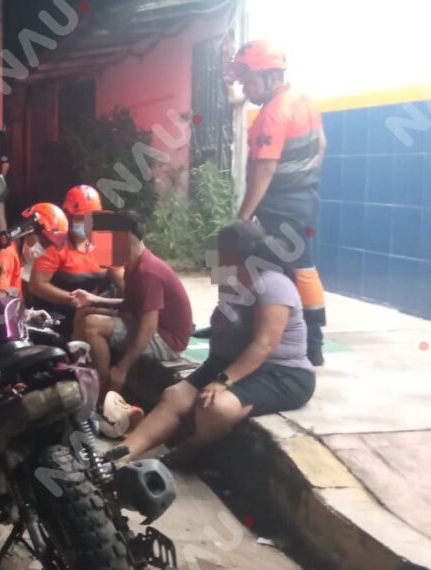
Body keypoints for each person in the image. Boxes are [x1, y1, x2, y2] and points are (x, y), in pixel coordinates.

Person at [120, 220, 316, 463]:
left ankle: (189, 451)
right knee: (174, 396)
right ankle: (117, 457)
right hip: (228, 361)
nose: (214, 256)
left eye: (220, 250)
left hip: (282, 374)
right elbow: (221, 325)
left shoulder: (273, 283)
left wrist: (223, 380)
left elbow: (263, 345)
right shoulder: (230, 279)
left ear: (238, 253)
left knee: (214, 408)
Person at [229, 39, 327, 366]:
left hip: (281, 203)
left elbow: (265, 168)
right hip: (304, 198)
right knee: (301, 265)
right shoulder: (303, 101)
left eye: (250, 80)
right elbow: (321, 146)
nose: (246, 86)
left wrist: (243, 218)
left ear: (271, 76)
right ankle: (310, 339)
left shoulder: (272, 114)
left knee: (234, 252)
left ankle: (230, 321)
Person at [71, 211, 192, 396]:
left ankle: (103, 389)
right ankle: (80, 370)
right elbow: (133, 304)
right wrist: (94, 299)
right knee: (86, 311)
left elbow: (148, 327)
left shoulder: (147, 273)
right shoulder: (133, 264)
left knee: (92, 325)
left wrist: (122, 369)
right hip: (151, 325)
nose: (97, 248)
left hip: (168, 340)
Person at [28, 184, 123, 330]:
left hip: (94, 309)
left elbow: (121, 279)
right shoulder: (55, 240)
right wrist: (72, 300)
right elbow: (37, 285)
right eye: (81, 218)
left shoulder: (106, 237)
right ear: (68, 215)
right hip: (57, 313)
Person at [0, 202, 67, 298]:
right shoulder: (5, 256)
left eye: (47, 246)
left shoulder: (18, 259)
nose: (42, 250)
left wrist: (26, 313)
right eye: (42, 243)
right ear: (28, 230)